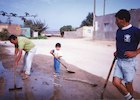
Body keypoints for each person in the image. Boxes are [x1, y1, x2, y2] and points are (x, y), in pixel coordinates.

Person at [113, 9, 140, 100]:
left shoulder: (135, 31)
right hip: (119, 60)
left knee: (128, 84)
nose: (115, 22)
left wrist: (136, 52)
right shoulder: (118, 31)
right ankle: (131, 99)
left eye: (117, 20)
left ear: (123, 20)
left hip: (129, 62)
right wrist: (117, 51)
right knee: (116, 82)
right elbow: (119, 43)